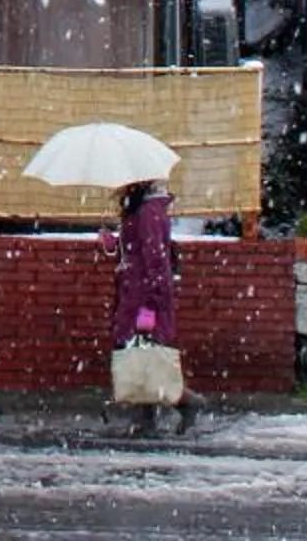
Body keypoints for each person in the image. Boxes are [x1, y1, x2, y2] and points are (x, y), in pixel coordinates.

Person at [105, 178, 185, 433]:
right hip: (136, 293)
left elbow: (155, 257)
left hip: (143, 296)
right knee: (142, 354)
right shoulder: (142, 211)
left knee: (144, 353)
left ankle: (183, 403)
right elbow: (138, 251)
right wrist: (112, 244)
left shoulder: (148, 213)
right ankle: (147, 418)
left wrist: (152, 301)